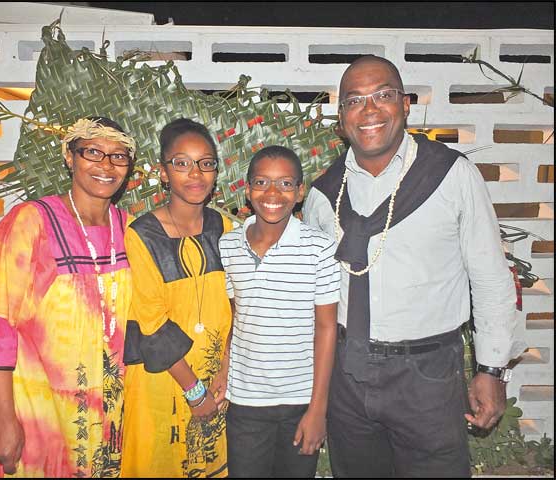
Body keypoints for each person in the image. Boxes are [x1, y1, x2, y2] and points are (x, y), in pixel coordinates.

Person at [302, 55, 523, 477]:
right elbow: (314, 299)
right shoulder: (323, 195)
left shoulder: (450, 175)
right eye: (354, 100)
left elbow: (491, 278)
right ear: (341, 118)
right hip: (346, 375)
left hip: (428, 376)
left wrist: (491, 369)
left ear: (405, 105)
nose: (369, 109)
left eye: (382, 95)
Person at [0, 116, 136, 478]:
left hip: (112, 413)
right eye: (93, 152)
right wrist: (3, 420)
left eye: (118, 156)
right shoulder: (31, 223)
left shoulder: (129, 228)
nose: (106, 165)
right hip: (38, 410)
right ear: (69, 157)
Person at [218, 145, 341, 478]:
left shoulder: (320, 248)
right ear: (247, 190)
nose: (272, 193)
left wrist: (318, 409)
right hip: (245, 402)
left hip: (300, 401)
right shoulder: (228, 245)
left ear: (300, 192)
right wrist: (224, 370)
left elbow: (327, 328)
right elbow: (235, 318)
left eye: (285, 183)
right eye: (261, 182)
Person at [120, 118, 232, 478]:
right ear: (163, 172)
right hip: (165, 379)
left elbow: (238, 305)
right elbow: (151, 322)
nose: (195, 173)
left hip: (216, 378)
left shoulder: (225, 228)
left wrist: (226, 371)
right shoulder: (141, 235)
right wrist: (194, 391)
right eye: (182, 163)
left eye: (205, 162)